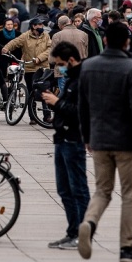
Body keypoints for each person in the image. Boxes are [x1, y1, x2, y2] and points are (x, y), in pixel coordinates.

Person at [77, 21, 132, 262]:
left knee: (102, 191)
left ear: (105, 40)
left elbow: (83, 106)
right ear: (128, 42)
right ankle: (126, 248)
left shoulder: (88, 66)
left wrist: (87, 136)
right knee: (130, 195)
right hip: (126, 141)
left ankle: (89, 222)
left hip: (99, 138)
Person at [42, 42, 89, 251]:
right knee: (64, 189)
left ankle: (81, 233)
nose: (59, 68)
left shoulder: (82, 79)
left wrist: (56, 102)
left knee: (77, 188)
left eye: (61, 64)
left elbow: (81, 111)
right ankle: (72, 232)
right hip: (62, 138)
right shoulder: (71, 78)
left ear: (71, 60)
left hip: (73, 139)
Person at [1, 18, 52, 122]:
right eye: (40, 25)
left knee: (45, 91)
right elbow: (15, 42)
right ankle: (32, 117)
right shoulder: (25, 36)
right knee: (30, 92)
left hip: (43, 68)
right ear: (33, 26)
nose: (42, 26)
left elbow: (50, 49)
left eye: (42, 24)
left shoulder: (46, 36)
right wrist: (6, 48)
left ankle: (47, 116)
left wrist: (39, 58)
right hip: (30, 68)